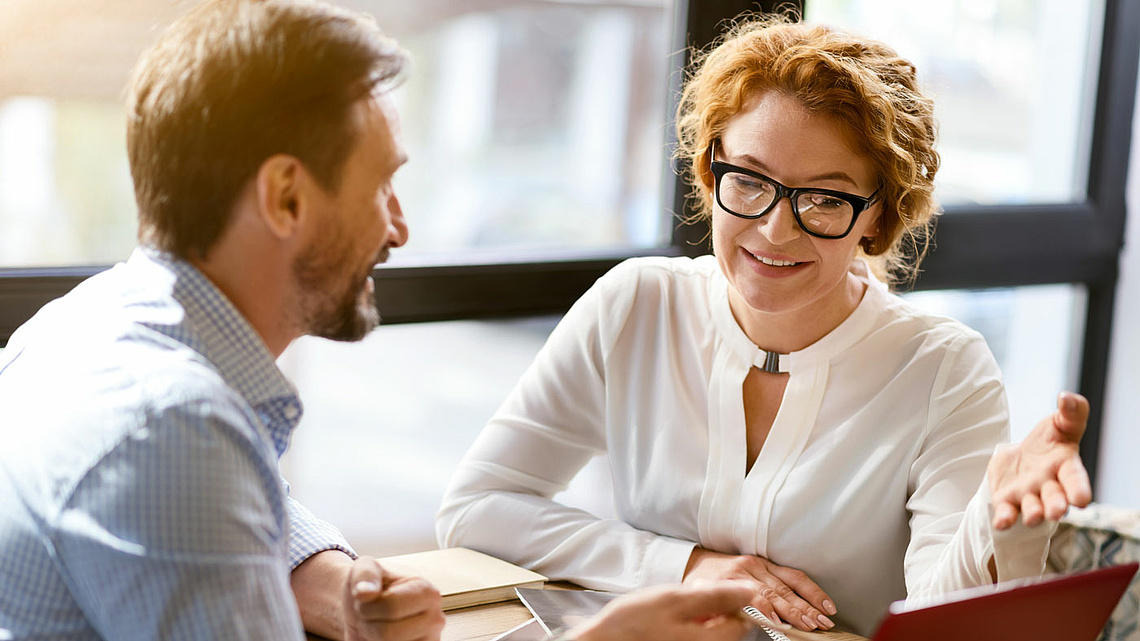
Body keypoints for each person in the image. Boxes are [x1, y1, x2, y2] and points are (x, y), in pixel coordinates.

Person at [0, 1, 765, 640]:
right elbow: (188, 472)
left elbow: (223, 495)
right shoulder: (174, 429)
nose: (398, 228)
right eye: (383, 186)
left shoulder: (82, 326)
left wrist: (328, 579)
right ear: (286, 197)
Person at [436, 13, 1093, 638]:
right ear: (711, 165)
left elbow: (934, 622)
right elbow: (477, 506)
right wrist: (690, 567)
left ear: (876, 216)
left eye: (825, 198)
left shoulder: (945, 370)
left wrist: (1000, 522)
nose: (776, 229)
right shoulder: (637, 303)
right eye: (750, 180)